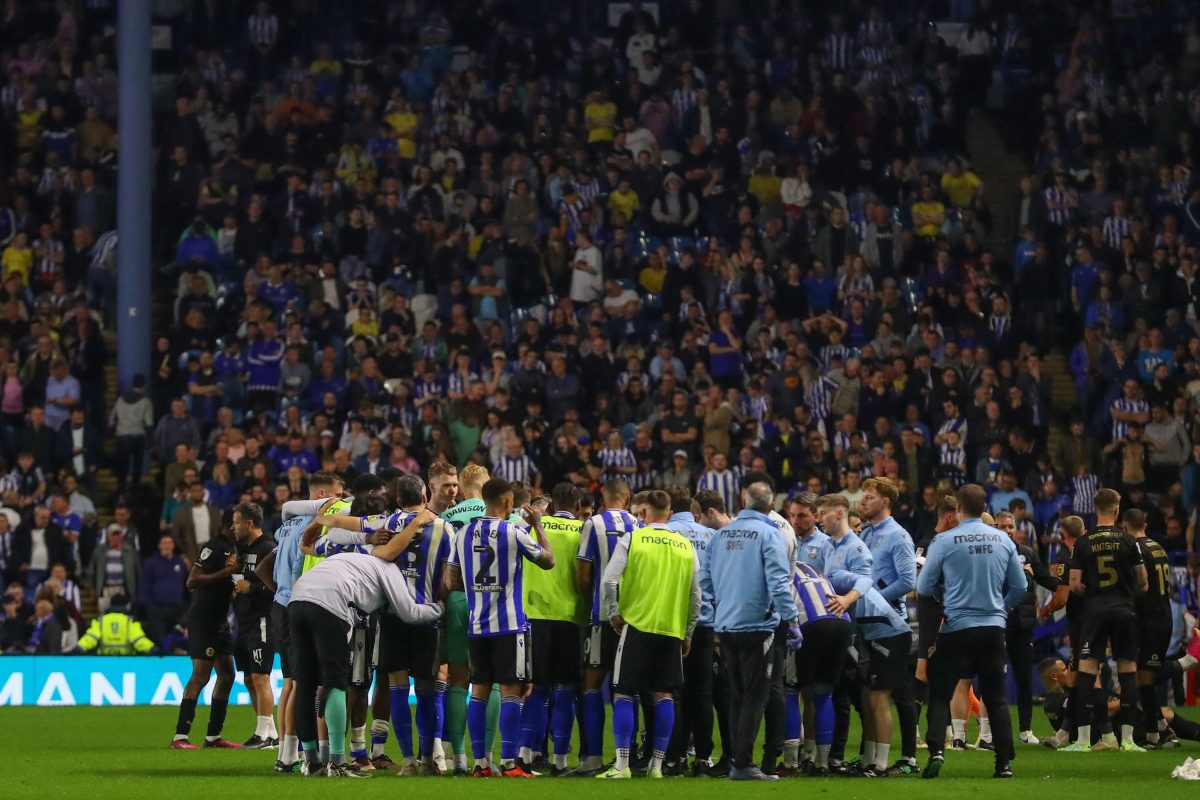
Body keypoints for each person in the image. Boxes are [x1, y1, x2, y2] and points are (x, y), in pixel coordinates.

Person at [289, 550, 445, 778]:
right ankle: (338, 763)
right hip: (330, 604)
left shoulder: (353, 558)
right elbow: (409, 613)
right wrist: (439, 607)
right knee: (336, 682)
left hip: (297, 599)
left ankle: (311, 762)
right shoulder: (389, 568)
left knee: (305, 683)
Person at [443, 477, 554, 778]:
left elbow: (450, 580)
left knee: (477, 691)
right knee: (510, 692)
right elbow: (548, 561)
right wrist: (539, 526)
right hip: (509, 625)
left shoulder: (462, 533)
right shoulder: (514, 532)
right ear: (508, 502)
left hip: (477, 626)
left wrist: (477, 588)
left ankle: (480, 763)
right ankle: (509, 762)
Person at [917, 484, 1026, 779]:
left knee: (940, 693)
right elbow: (1021, 586)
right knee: (996, 698)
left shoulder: (945, 540)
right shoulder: (1003, 540)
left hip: (957, 626)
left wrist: (946, 593)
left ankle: (938, 749)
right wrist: (1001, 608)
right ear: (983, 506)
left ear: (958, 510)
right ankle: (1004, 763)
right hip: (992, 627)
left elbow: (924, 587)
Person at [598, 489, 701, 780]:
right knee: (664, 694)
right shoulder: (685, 546)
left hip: (637, 625)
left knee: (623, 692)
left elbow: (609, 581)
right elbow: (697, 596)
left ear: (643, 514)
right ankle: (657, 766)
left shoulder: (633, 539)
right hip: (671, 629)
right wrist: (688, 632)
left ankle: (622, 765)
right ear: (669, 513)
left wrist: (614, 613)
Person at [702, 481, 798, 781]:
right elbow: (779, 582)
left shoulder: (720, 535)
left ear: (744, 501)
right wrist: (792, 619)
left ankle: (736, 761)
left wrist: (720, 608)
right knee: (756, 695)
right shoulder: (769, 534)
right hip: (757, 625)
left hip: (725, 625)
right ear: (770, 506)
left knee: (737, 696)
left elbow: (704, 581)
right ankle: (743, 764)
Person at [254, 471, 345, 773]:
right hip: (305, 604)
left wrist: (280, 593)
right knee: (309, 683)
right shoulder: (314, 524)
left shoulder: (287, 523)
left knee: (292, 683)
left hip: (283, 606)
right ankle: (311, 756)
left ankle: (287, 754)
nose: (342, 501)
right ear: (322, 497)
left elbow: (265, 567)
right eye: (338, 495)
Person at [1064, 488, 1147, 753]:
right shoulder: (1128, 540)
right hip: (1124, 610)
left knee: (1087, 670)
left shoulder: (1083, 542)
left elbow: (1074, 584)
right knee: (1128, 670)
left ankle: (1083, 741)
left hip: (1095, 611)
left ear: (1094, 507)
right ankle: (1128, 740)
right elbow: (1143, 581)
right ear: (1117, 508)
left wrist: (1095, 596)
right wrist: (1124, 596)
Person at [516, 483, 586, 775]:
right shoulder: (584, 531)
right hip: (572, 617)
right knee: (565, 690)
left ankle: (524, 754)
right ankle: (560, 760)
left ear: (553, 504)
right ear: (579, 504)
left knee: (537, 689)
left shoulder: (532, 528)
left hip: (534, 615)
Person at [575, 479, 639, 776]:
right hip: (632, 619)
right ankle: (627, 756)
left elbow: (584, 574)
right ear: (627, 499)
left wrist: (593, 601)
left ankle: (592, 758)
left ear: (605, 497)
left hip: (601, 618)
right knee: (627, 688)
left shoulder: (593, 524)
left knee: (591, 685)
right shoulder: (640, 526)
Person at [857, 476, 918, 774]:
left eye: (869, 497)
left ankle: (906, 758)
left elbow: (908, 580)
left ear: (885, 501)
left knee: (896, 693)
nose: (863, 501)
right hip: (868, 624)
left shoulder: (898, 536)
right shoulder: (867, 533)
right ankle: (869, 757)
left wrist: (873, 599)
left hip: (890, 622)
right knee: (873, 693)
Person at [170, 508, 241, 750]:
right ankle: (180, 737)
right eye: (237, 522)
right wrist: (226, 572)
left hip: (220, 620)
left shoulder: (232, 549)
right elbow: (192, 581)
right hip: (204, 619)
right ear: (229, 524)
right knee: (200, 676)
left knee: (227, 675)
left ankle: (213, 737)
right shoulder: (214, 547)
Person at [663, 486, 718, 776]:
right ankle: (703, 757)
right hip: (707, 622)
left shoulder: (664, 535)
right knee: (703, 692)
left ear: (668, 507)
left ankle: (674, 756)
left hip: (672, 622)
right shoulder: (711, 536)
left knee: (674, 691)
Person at [789, 560, 853, 776]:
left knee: (791, 690)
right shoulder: (813, 567)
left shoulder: (778, 565)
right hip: (841, 621)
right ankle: (821, 762)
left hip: (811, 623)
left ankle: (790, 762)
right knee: (822, 695)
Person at [1124, 508, 1173, 748]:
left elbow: (1141, 586)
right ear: (1145, 523)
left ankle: (1153, 735)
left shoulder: (1137, 550)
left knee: (1143, 678)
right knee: (1146, 677)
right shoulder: (1159, 547)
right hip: (1164, 615)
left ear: (1124, 527)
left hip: (1149, 620)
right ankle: (1163, 727)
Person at [231, 502, 278, 749]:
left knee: (261, 676)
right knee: (249, 678)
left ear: (249, 523)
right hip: (245, 620)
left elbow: (279, 586)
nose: (233, 527)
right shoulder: (247, 548)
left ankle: (264, 734)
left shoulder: (269, 549)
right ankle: (268, 731)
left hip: (262, 619)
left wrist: (253, 588)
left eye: (236, 521)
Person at [76, 592, 154, 654]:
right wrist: (152, 649)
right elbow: (138, 640)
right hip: (127, 661)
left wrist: (79, 648)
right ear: (126, 605)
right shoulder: (129, 621)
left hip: (104, 661)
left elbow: (91, 638)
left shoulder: (101, 620)